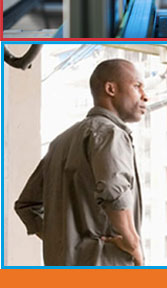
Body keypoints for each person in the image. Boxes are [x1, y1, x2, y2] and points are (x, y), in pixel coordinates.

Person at [15, 60, 149, 266]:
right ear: (111, 89)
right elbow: (114, 192)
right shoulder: (110, 133)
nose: (145, 96)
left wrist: (63, 239)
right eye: (137, 86)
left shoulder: (61, 142)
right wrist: (133, 245)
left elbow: (26, 205)